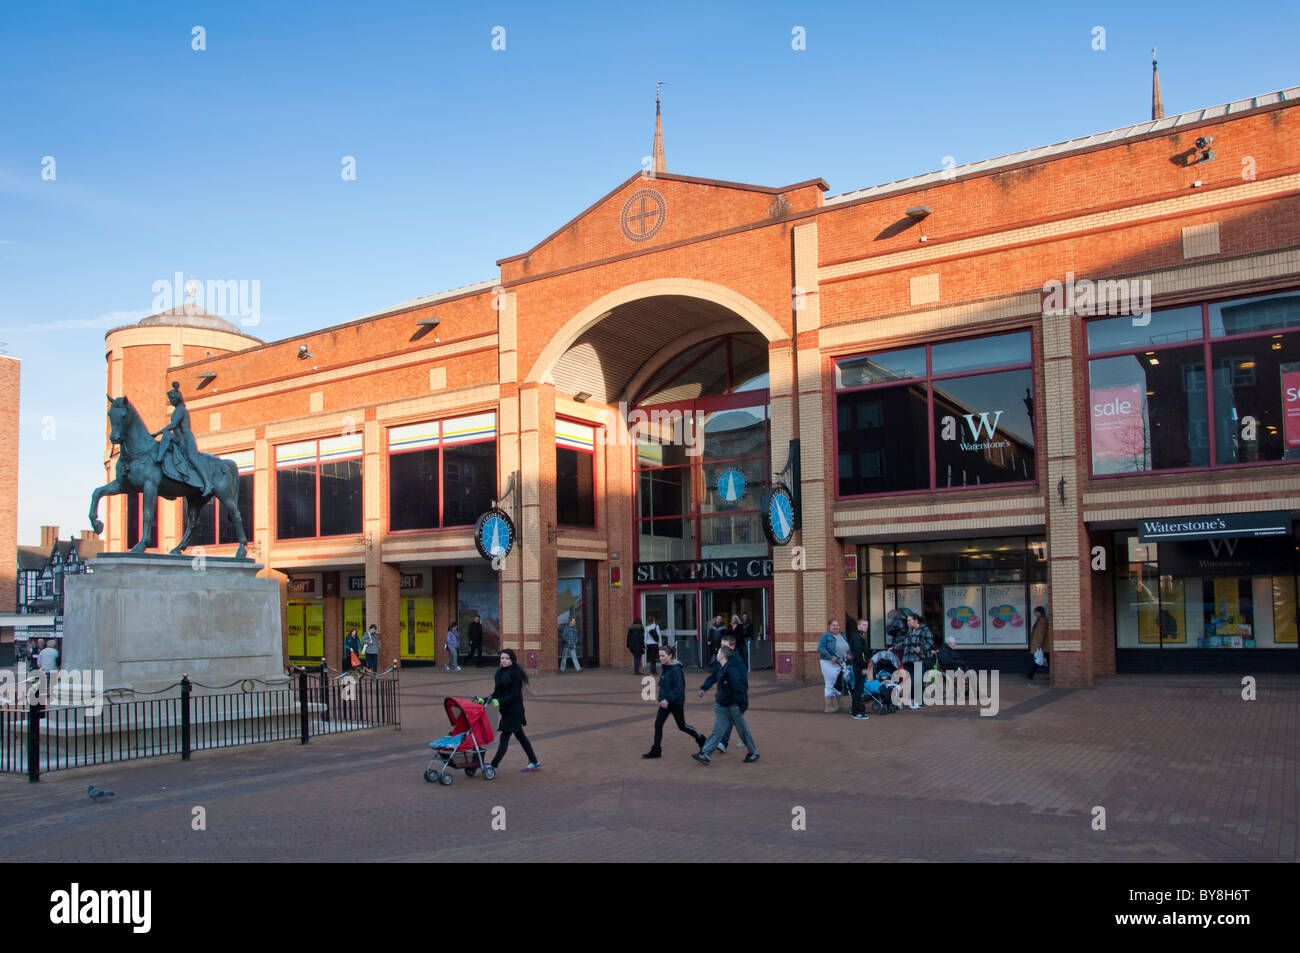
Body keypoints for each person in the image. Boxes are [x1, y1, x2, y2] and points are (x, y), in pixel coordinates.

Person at [692, 646, 759, 765]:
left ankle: (753, 752)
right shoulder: (720, 668)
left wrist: (741, 704)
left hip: (733, 706)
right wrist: (704, 688)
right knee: (717, 731)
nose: (716, 654)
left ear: (722, 655)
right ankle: (705, 754)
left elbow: (739, 689)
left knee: (742, 730)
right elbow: (713, 678)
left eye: (718, 653)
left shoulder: (731, 670)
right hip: (722, 705)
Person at [478, 649, 540, 772]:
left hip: (515, 712)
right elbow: (496, 693)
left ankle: (494, 765)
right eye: (502, 658)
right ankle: (534, 761)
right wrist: (484, 700)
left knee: (504, 738)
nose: (504, 660)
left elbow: (515, 694)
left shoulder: (515, 674)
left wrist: (500, 701)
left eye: (507, 658)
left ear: (512, 660)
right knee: (521, 737)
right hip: (506, 711)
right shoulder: (499, 673)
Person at [643, 644, 706, 758]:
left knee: (682, 726)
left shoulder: (676, 669)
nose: (660, 658)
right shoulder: (666, 668)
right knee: (658, 724)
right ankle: (656, 750)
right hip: (665, 703)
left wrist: (668, 699)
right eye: (660, 656)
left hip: (675, 703)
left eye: (663, 656)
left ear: (670, 656)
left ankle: (701, 738)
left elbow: (679, 689)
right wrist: (662, 699)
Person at [150, 381, 212, 496]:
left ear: (177, 398)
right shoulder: (176, 410)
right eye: (170, 398)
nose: (171, 400)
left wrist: (156, 433)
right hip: (179, 439)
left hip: (187, 439)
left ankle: (207, 483)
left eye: (172, 398)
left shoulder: (181, 410)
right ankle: (162, 463)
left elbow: (173, 425)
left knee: (192, 458)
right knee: (167, 439)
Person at [696, 632, 743, 753]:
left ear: (731, 647)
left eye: (724, 645)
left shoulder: (737, 661)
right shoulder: (720, 660)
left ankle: (724, 743)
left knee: (732, 720)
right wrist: (704, 688)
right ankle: (724, 742)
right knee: (730, 720)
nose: (721, 648)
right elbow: (713, 676)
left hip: (734, 696)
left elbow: (743, 679)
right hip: (723, 695)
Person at [898, 613, 935, 709]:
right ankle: (910, 700)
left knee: (917, 681)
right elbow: (904, 643)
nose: (908, 623)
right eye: (907, 621)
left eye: (909, 620)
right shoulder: (909, 631)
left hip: (918, 658)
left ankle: (919, 702)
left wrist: (921, 648)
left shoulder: (924, 630)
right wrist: (893, 647)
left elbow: (930, 642)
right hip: (907, 659)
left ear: (916, 620)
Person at [817, 619, 849, 713]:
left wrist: (848, 654)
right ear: (829, 627)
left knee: (839, 682)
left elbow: (847, 647)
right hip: (828, 663)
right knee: (830, 683)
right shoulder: (826, 636)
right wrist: (830, 657)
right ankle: (829, 706)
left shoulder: (842, 635)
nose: (836, 627)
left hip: (841, 663)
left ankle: (840, 704)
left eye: (837, 625)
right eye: (833, 625)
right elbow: (821, 648)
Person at [846, 619, 871, 721]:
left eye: (867, 625)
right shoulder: (857, 637)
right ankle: (856, 711)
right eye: (864, 625)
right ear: (858, 626)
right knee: (858, 689)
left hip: (858, 666)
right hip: (859, 667)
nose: (866, 627)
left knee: (859, 689)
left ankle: (856, 709)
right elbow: (859, 653)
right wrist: (864, 667)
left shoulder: (862, 637)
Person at [1027, 605, 1051, 684]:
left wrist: (1039, 643)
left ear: (1039, 612)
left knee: (1039, 659)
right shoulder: (1040, 620)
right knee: (1042, 659)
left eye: (1035, 612)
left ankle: (1030, 674)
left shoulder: (1042, 620)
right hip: (1043, 645)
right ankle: (1031, 674)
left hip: (1043, 645)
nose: (1034, 614)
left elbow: (1041, 633)